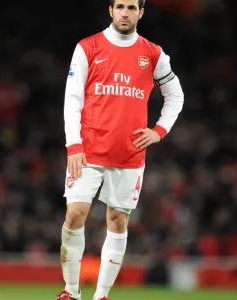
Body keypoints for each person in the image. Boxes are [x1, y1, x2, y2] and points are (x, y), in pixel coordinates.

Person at [57, 0, 184, 299]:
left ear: (141, 12)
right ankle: (71, 292)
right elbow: (72, 99)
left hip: (129, 155)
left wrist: (159, 130)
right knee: (75, 214)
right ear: (110, 10)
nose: (125, 13)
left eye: (131, 7)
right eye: (120, 7)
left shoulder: (153, 54)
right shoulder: (88, 47)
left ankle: (101, 295)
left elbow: (175, 95)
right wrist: (73, 144)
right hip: (87, 151)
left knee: (118, 220)